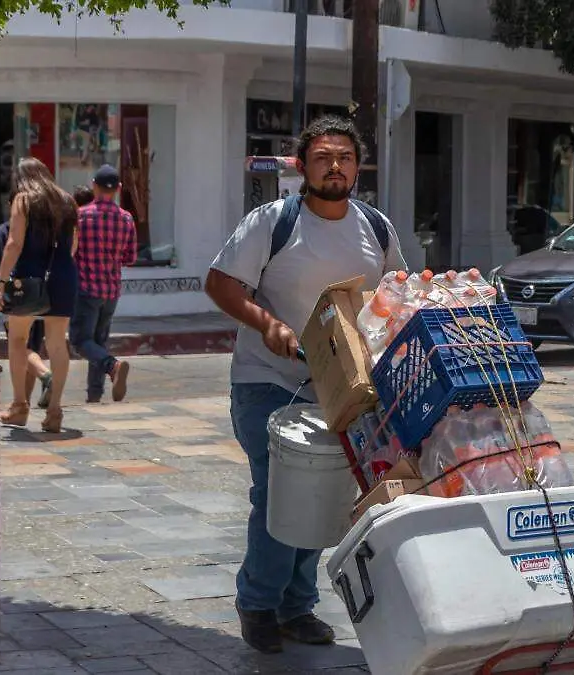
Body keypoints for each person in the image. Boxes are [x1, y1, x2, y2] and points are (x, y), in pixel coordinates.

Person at [205, 115, 406, 654]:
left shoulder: (376, 229)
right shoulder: (273, 221)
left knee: (322, 494)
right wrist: (266, 322)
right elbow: (220, 283)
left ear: (357, 167)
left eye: (343, 156)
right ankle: (259, 602)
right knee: (278, 489)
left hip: (339, 389)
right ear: (302, 166)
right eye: (322, 157)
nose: (334, 165)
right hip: (267, 380)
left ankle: (296, 605)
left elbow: (395, 295)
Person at [0, 158, 78, 433]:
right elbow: (73, 245)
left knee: (17, 339)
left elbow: (14, 243)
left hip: (27, 279)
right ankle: (54, 412)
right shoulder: (68, 201)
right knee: (57, 344)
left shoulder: (23, 201)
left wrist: (0, 282)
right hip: (62, 276)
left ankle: (19, 406)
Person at [70, 165, 135, 404]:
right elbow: (130, 258)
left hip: (86, 288)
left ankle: (112, 365)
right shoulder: (127, 219)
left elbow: (71, 252)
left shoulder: (80, 216)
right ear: (118, 189)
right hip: (111, 290)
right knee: (98, 342)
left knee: (80, 340)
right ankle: (94, 394)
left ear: (94, 185)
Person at [0, 221, 54, 409]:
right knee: (31, 347)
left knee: (18, 345)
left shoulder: (6, 231)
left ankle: (45, 376)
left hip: (15, 295)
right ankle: (23, 404)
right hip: (41, 294)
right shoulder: (44, 229)